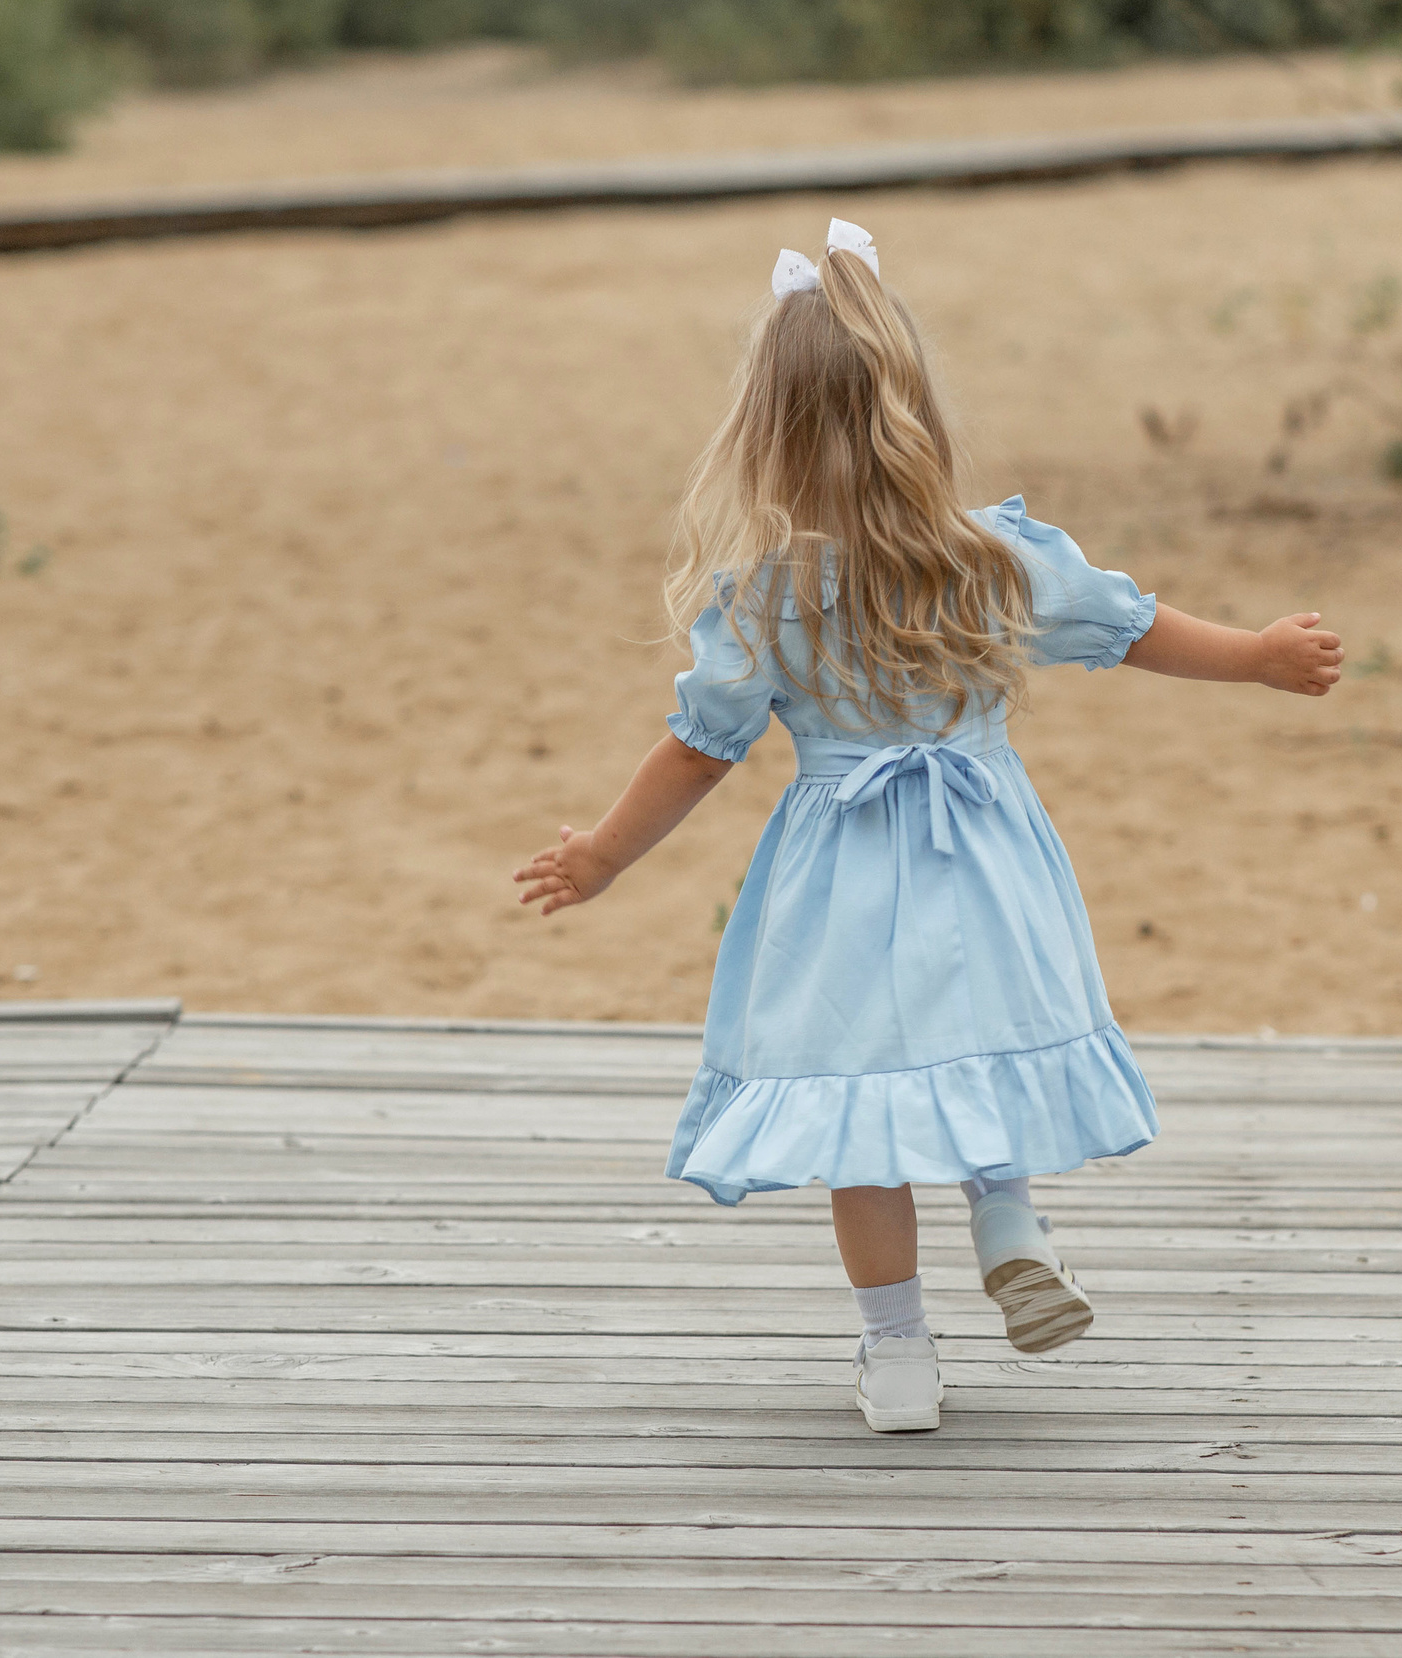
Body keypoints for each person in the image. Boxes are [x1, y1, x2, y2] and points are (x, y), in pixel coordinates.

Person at [514, 218, 1342, 1432]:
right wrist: (1259, 656)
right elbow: (1133, 626)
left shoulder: (770, 599)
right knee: (978, 1036)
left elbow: (699, 749)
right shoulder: (990, 559)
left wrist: (599, 853)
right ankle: (1006, 1215)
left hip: (838, 869)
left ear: (767, 435)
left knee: (865, 1102)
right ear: (913, 405)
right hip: (982, 848)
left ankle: (897, 1350)